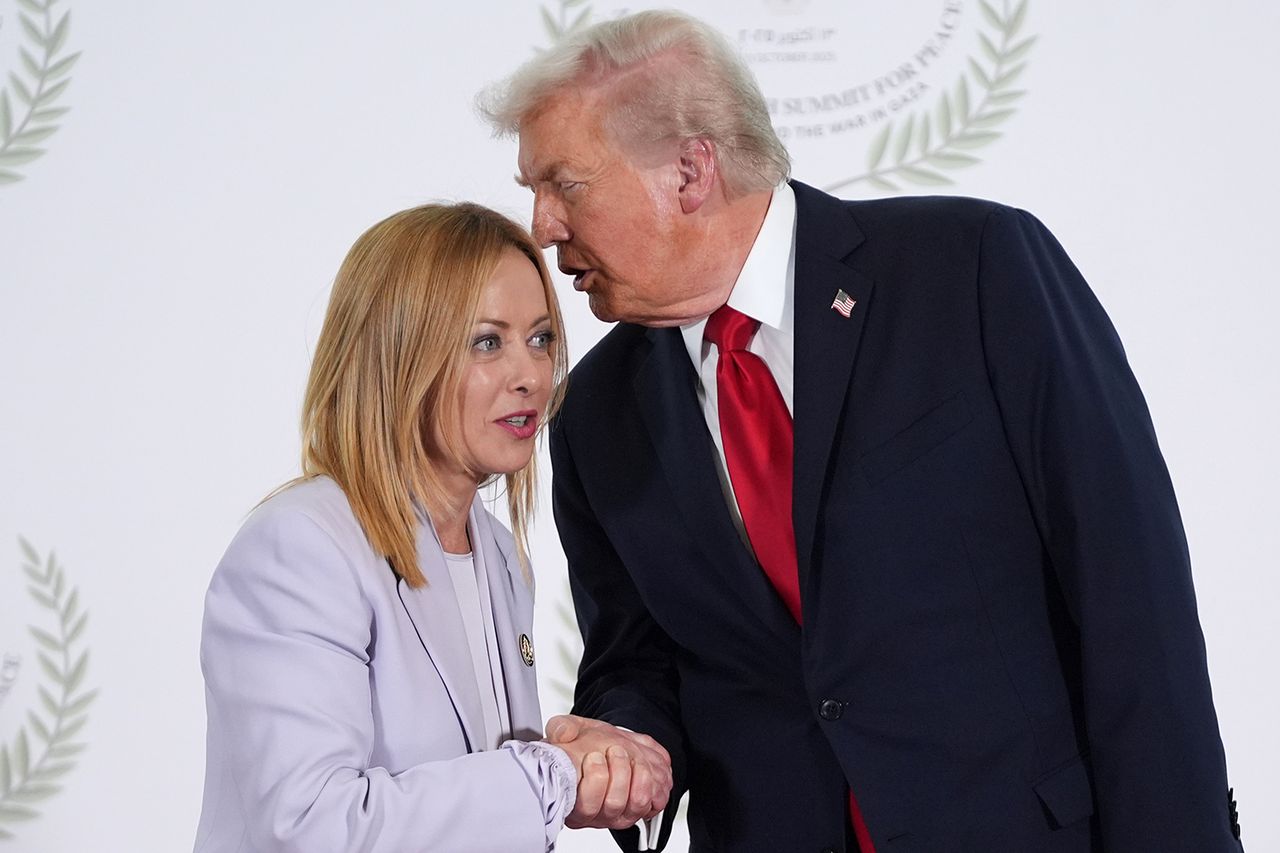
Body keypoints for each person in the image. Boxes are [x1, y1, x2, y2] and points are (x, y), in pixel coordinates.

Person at [479, 10, 1244, 853]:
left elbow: (1129, 592)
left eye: (565, 185)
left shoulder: (977, 268)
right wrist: (623, 747)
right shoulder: (594, 414)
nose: (543, 225)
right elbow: (638, 661)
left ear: (690, 171)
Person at [193, 202, 671, 853]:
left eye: (540, 338)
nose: (530, 375)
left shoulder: (497, 552)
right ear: (400, 354)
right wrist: (553, 777)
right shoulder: (300, 546)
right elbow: (311, 824)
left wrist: (583, 759)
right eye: (486, 341)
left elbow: (477, 798)